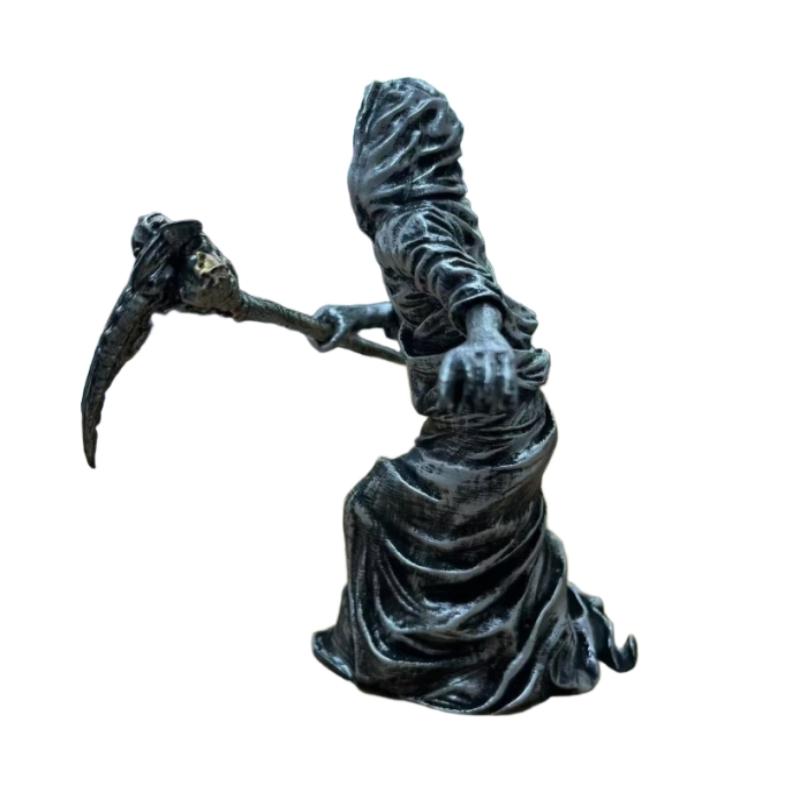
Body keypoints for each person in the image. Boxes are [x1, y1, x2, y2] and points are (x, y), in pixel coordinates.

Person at [311, 78, 637, 714]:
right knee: (491, 541)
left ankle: (410, 657)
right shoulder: (436, 215)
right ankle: (517, 639)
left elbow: (469, 293)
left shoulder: (408, 225)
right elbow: (432, 298)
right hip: (506, 423)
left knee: (374, 507)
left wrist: (483, 334)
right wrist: (362, 315)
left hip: (489, 432)